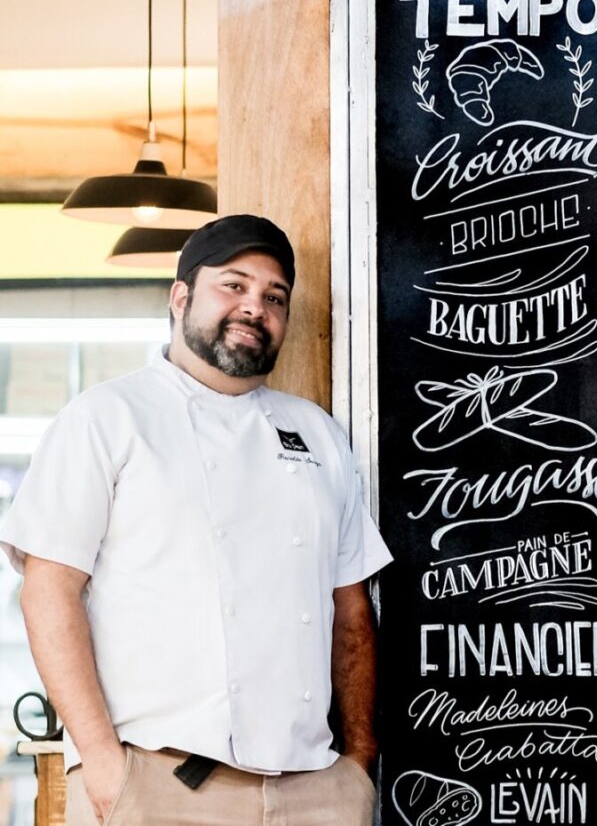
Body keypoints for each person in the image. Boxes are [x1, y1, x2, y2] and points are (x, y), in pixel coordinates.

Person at [0, 214, 393, 826]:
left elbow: (350, 607)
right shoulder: (106, 417)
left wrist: (359, 761)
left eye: (274, 296)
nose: (254, 307)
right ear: (181, 297)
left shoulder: (317, 433)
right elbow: (49, 591)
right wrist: (102, 763)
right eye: (232, 286)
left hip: (313, 792)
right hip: (157, 785)